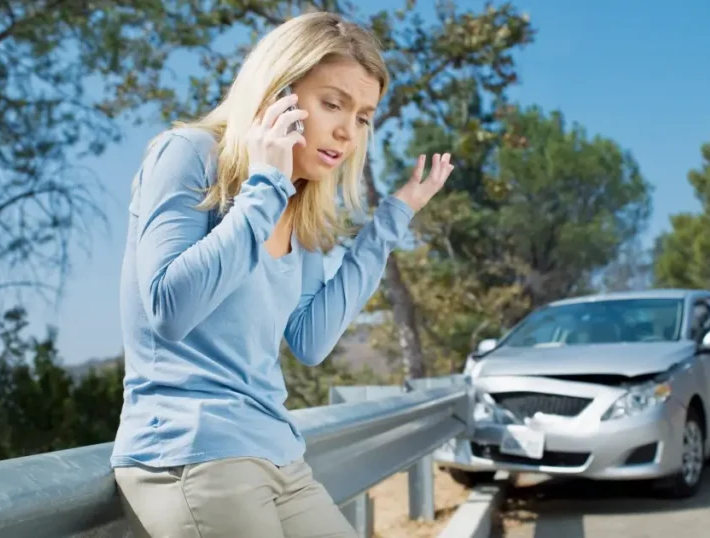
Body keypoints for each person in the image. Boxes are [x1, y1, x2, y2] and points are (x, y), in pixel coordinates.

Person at [110, 11, 453, 538]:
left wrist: (392, 219)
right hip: (192, 454)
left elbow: (312, 340)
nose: (347, 130)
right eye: (332, 103)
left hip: (279, 456)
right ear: (277, 94)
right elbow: (168, 310)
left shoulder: (298, 201)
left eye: (363, 116)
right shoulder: (188, 155)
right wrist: (264, 185)